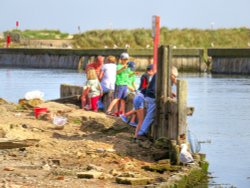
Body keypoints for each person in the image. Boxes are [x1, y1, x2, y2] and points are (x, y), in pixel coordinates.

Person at [137, 66, 178, 138]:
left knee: (149, 114)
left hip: (148, 95)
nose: (175, 78)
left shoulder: (159, 74)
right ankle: (142, 133)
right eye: (174, 76)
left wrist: (170, 92)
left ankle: (144, 132)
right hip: (152, 96)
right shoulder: (163, 76)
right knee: (150, 115)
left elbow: (160, 87)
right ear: (171, 74)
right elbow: (158, 89)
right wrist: (175, 83)